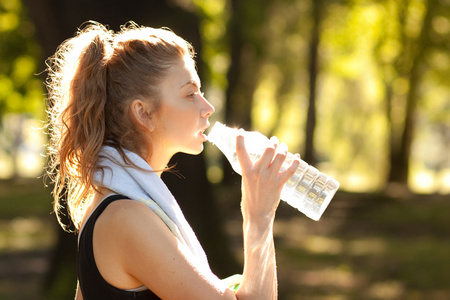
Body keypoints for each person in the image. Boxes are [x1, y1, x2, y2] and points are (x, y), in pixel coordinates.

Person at [45, 21, 300, 300]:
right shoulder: (126, 218)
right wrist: (258, 216)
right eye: (190, 94)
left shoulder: (119, 208)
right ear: (144, 114)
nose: (208, 107)